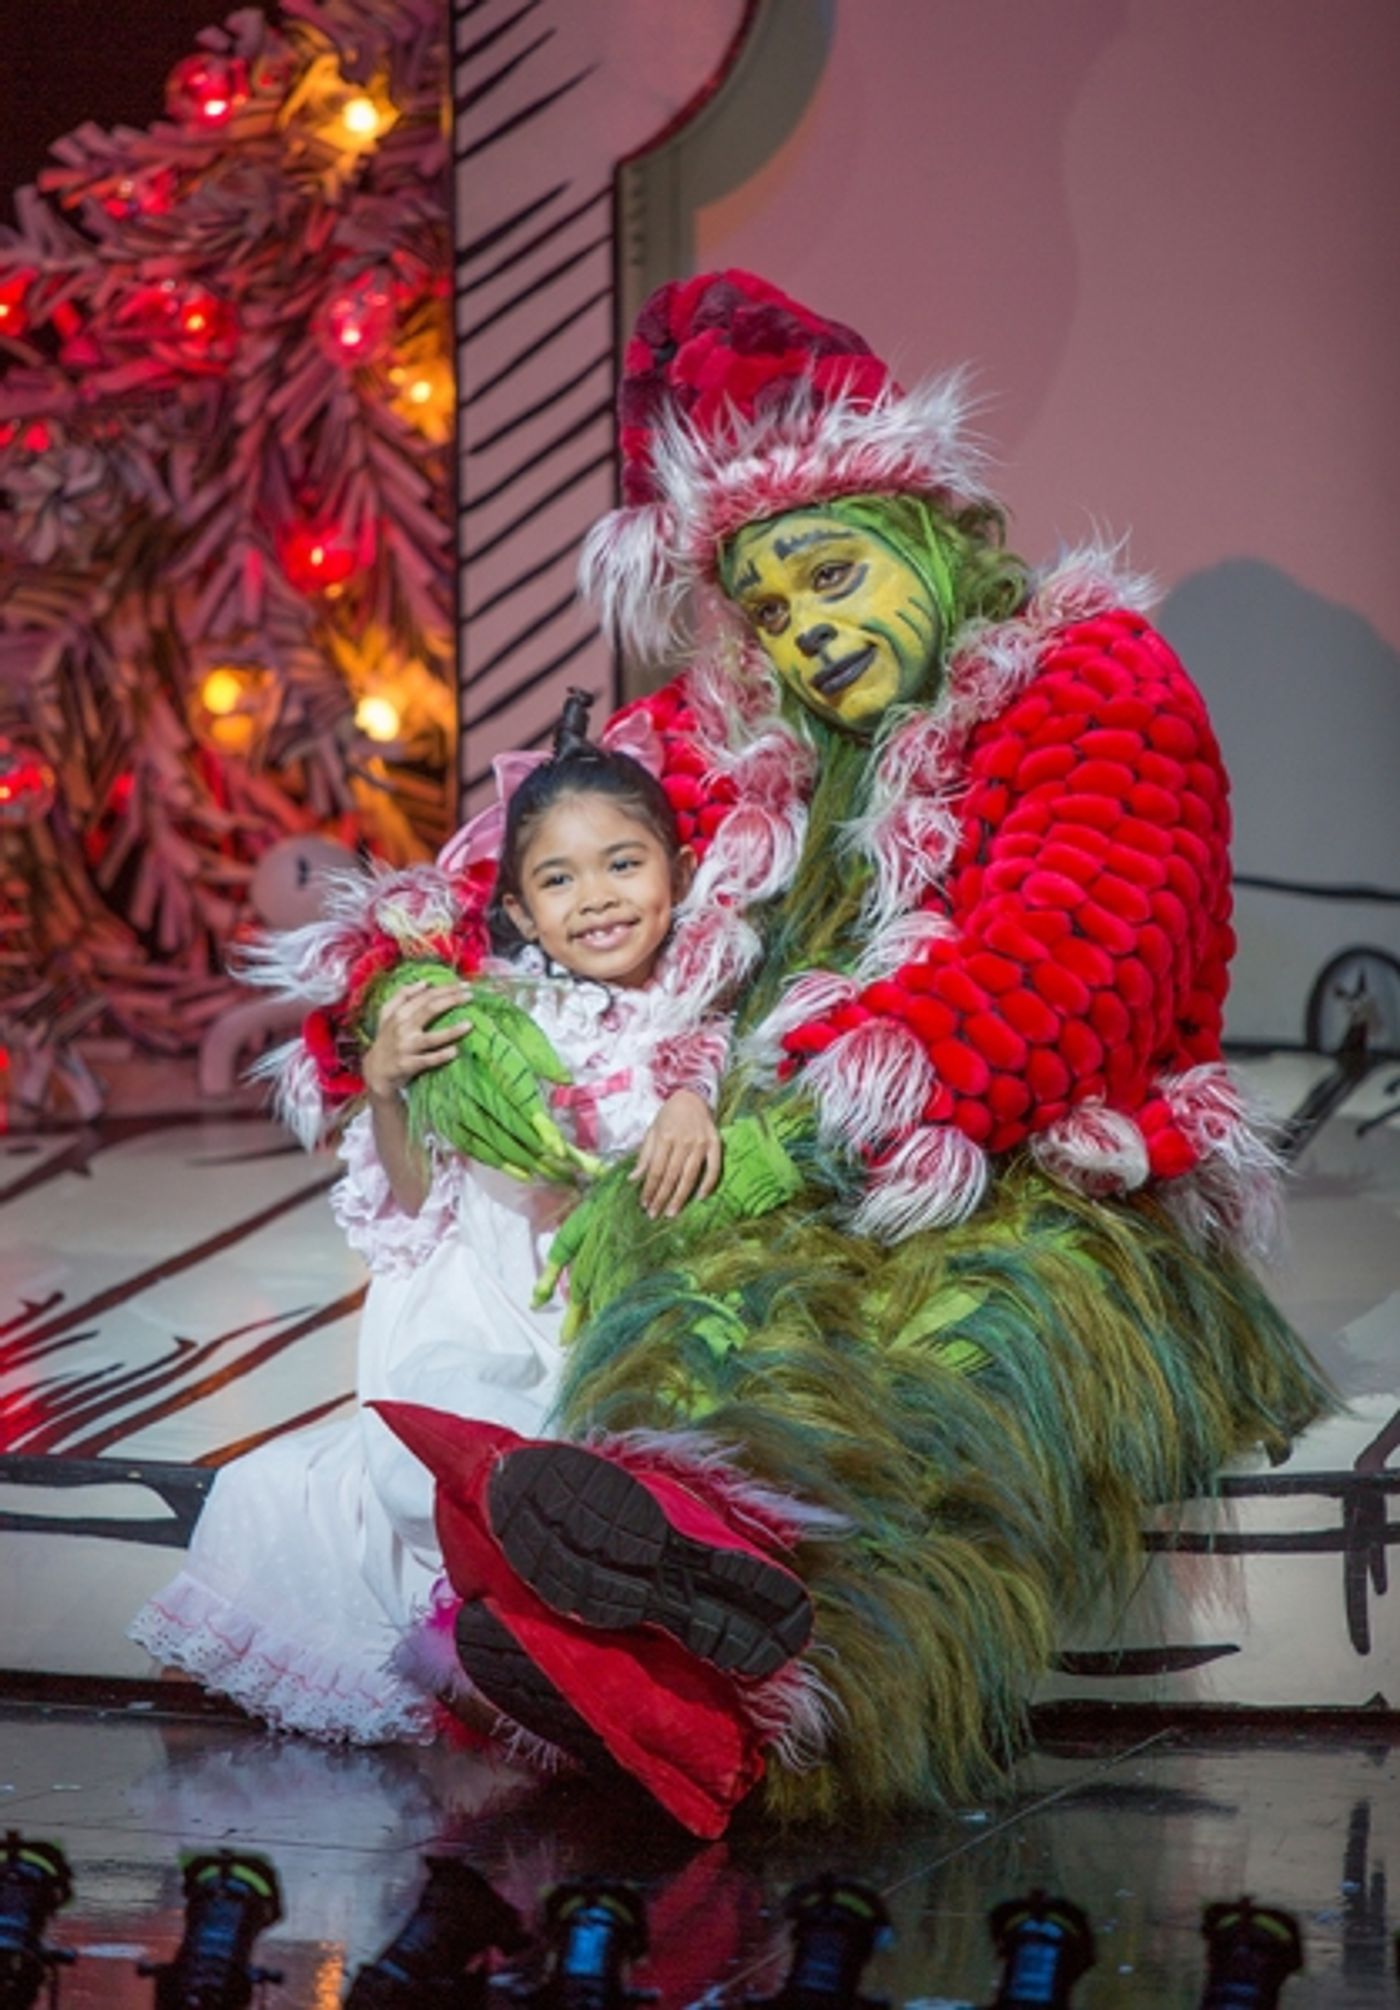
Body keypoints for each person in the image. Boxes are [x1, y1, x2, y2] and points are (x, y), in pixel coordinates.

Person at [368, 270, 1333, 1839]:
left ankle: (759, 1687)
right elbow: (480, 874)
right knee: (693, 1296)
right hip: (781, 1170)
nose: (812, 636)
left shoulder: (1095, 682)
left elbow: (1062, 979)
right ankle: (632, 1615)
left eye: (834, 579)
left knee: (952, 1342)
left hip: (1049, 1178)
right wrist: (431, 1025)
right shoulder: (736, 732)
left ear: (929, 534)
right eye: (775, 612)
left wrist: (790, 1130)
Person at [128, 693, 743, 1743]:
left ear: (678, 876)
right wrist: (381, 1087)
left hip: (626, 1311)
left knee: (642, 1448)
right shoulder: (490, 1016)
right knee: (437, 1450)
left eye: (623, 865)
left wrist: (694, 1097)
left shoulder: (708, 1014)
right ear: (516, 909)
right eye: (557, 879)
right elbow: (414, 1206)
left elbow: (727, 1105)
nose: (595, 899)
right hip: (489, 1304)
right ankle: (503, 1619)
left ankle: (591, 1630)